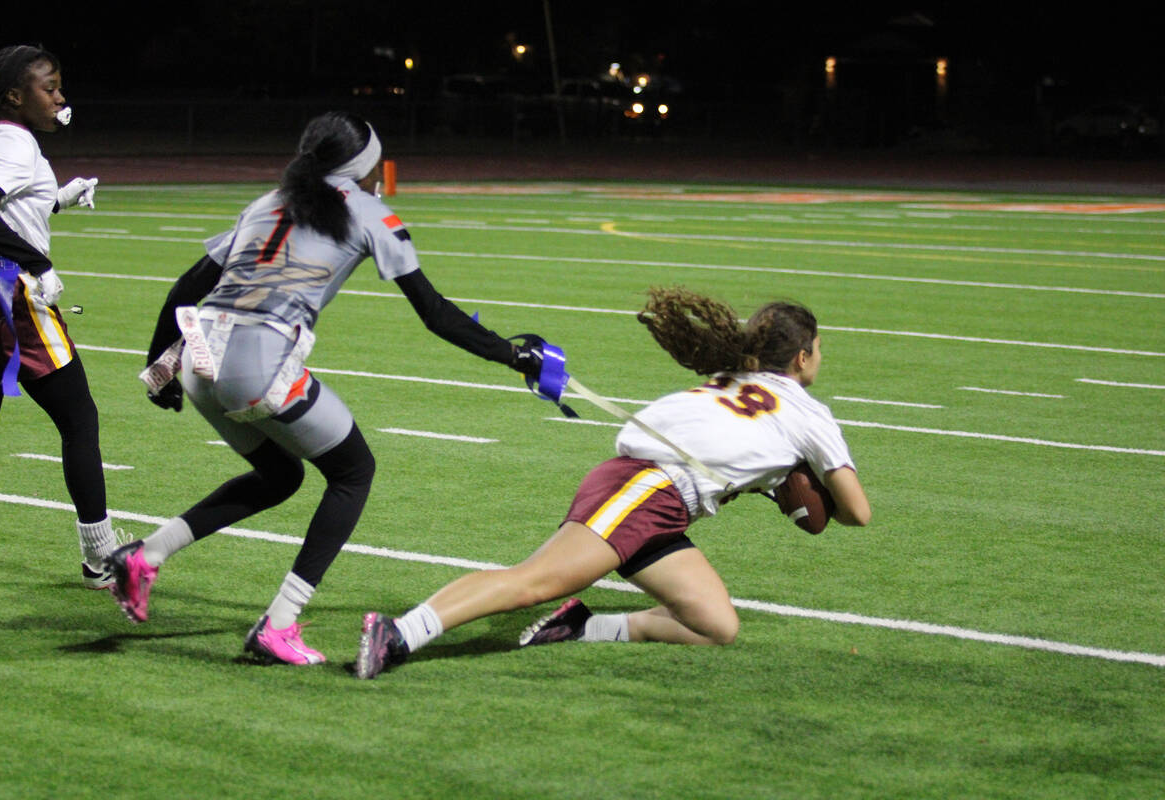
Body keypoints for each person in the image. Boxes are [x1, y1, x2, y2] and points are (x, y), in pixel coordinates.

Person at [104, 111, 546, 666]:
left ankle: (144, 556)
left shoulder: (267, 202)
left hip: (195, 356)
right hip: (256, 361)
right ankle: (279, 624)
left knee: (280, 475)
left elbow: (186, 287)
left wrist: (159, 369)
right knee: (353, 472)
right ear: (363, 167)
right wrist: (513, 354)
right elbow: (434, 313)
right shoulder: (368, 211)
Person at [356, 286, 871, 679]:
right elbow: (857, 513)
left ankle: (581, 626)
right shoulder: (808, 414)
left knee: (716, 626)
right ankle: (399, 632)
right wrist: (803, 486)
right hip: (646, 489)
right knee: (535, 581)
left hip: (661, 502)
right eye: (818, 348)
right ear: (802, 356)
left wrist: (775, 478)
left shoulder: (731, 380)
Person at [0, 44, 119, 588]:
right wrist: (38, 262)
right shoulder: (15, 141)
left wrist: (56, 200)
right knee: (79, 419)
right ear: (15, 96)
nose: (59, 98)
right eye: (48, 88)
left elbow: (3, 204)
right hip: (7, 293)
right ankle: (101, 557)